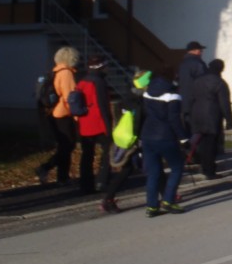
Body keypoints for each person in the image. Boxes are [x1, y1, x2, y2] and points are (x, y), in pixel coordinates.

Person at [101, 69, 151, 214]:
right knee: (149, 167)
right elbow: (140, 121)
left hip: (127, 138)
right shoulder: (139, 101)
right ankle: (108, 199)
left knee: (133, 168)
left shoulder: (127, 97)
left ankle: (108, 198)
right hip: (136, 139)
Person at [141, 71, 187, 216]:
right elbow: (174, 119)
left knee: (153, 172)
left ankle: (152, 206)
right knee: (177, 167)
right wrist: (183, 138)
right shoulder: (173, 96)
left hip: (148, 135)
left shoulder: (147, 93)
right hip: (166, 136)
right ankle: (168, 200)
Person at [35, 46, 80, 187]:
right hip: (63, 114)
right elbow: (69, 97)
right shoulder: (66, 73)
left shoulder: (55, 71)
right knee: (68, 145)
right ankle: (47, 168)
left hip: (53, 112)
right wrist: (77, 116)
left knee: (64, 145)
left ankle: (62, 176)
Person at [188, 59, 232, 179]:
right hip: (212, 116)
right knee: (211, 145)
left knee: (202, 143)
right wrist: (229, 120)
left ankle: (204, 165)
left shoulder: (197, 81)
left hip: (197, 114)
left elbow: (191, 97)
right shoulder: (220, 83)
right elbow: (224, 103)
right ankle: (209, 170)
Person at [75, 55, 114, 194]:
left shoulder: (82, 81)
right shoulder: (99, 82)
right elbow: (102, 105)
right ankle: (102, 180)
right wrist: (108, 126)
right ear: (101, 67)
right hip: (98, 122)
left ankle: (85, 184)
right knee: (108, 151)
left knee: (87, 154)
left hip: (84, 122)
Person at [177, 40, 208, 132]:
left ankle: (188, 145)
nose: (201, 52)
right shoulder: (198, 64)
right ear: (194, 51)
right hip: (196, 101)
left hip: (184, 101)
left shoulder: (182, 64)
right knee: (198, 130)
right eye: (200, 50)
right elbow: (203, 82)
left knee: (188, 127)